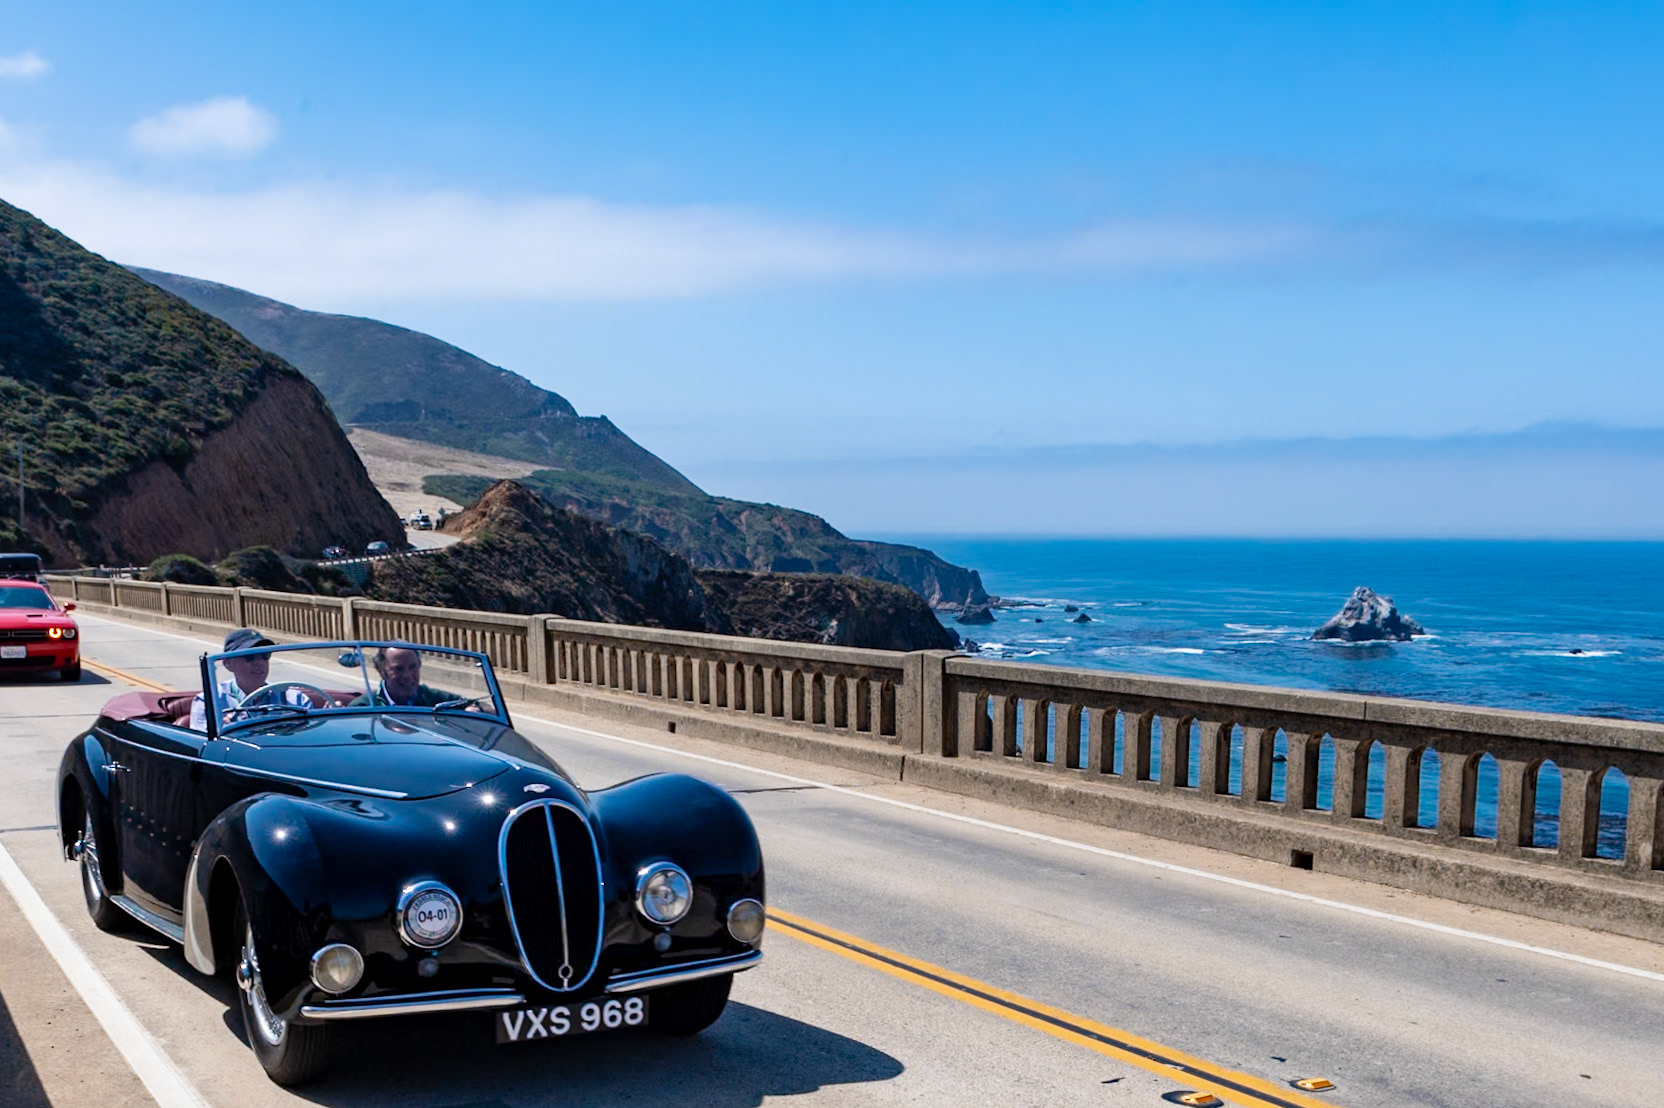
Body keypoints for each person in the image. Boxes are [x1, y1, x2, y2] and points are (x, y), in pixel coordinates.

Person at [188, 628, 302, 730]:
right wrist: (224, 730)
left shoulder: (295, 700)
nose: (259, 662)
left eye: (264, 656)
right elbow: (201, 746)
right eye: (249, 657)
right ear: (228, 664)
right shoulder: (209, 702)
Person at [351, 646, 465, 707]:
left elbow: (473, 705)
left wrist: (475, 708)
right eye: (398, 669)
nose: (407, 675)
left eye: (413, 667)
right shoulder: (364, 706)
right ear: (381, 671)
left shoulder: (433, 698)